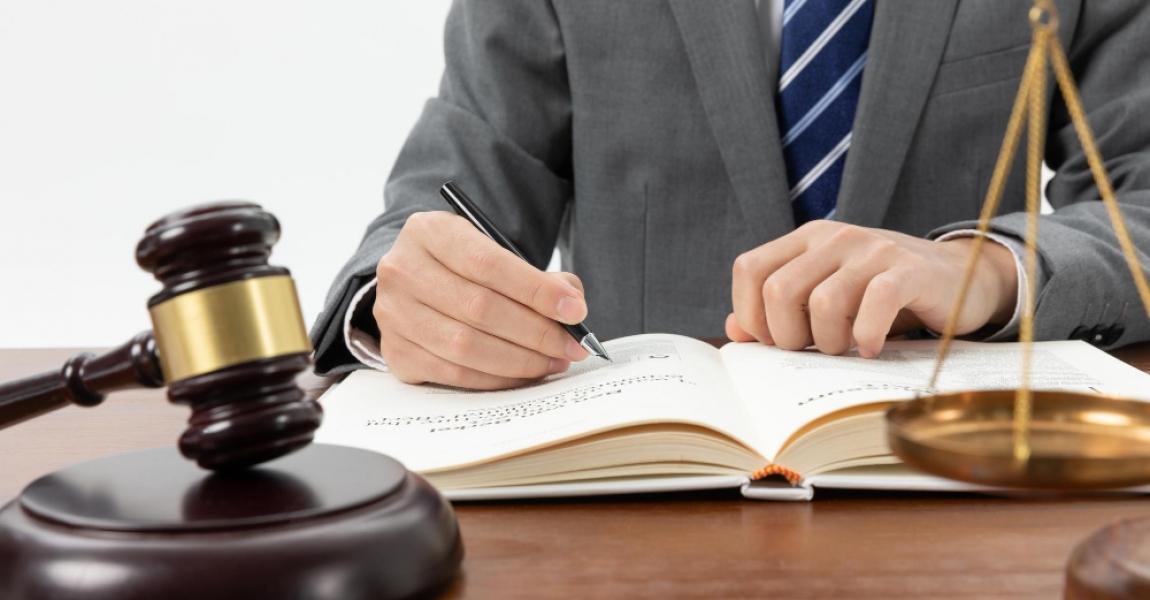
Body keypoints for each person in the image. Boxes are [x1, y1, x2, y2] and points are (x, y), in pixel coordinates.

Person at [310, 0, 1150, 391]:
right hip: (632, 491)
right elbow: (444, 199)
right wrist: (399, 301)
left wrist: (987, 268)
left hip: (951, 473)